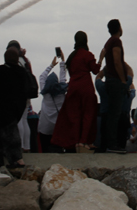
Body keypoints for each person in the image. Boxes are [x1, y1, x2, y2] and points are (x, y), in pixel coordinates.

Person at [52, 31, 102, 152]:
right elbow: (95, 70)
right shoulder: (87, 54)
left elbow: (70, 72)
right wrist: (101, 58)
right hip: (86, 87)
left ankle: (73, 141)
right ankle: (84, 141)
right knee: (88, 114)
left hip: (73, 87)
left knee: (74, 116)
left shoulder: (71, 57)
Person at [0, 46, 30, 168]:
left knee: (9, 131)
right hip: (19, 106)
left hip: (4, 105)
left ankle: (17, 158)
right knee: (10, 129)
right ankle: (13, 157)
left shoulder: (0, 70)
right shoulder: (23, 72)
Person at [102, 19, 129, 154]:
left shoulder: (108, 42)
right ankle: (112, 144)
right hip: (115, 81)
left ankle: (110, 143)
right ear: (119, 28)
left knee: (112, 113)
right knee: (115, 114)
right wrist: (123, 80)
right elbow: (117, 61)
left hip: (109, 80)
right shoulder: (116, 42)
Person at [38, 53, 67, 153]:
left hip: (45, 128)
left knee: (45, 150)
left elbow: (42, 77)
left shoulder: (45, 94)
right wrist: (62, 61)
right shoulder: (61, 94)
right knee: (58, 150)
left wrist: (51, 65)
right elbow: (63, 77)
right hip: (58, 128)